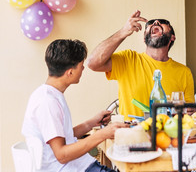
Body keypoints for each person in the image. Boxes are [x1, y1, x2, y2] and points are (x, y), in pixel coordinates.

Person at [22, 39, 129, 171]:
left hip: (79, 164)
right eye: (81, 65)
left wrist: (91, 123)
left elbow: (62, 136)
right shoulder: (47, 102)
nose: (83, 68)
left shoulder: (48, 94)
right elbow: (62, 155)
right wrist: (103, 134)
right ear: (70, 72)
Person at [88, 11, 195, 120]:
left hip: (167, 135)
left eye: (163, 22)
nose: (156, 22)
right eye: (150, 23)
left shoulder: (184, 72)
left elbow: (189, 114)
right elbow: (93, 63)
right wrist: (123, 32)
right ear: (145, 38)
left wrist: (190, 111)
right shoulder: (128, 59)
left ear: (172, 37)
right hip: (132, 134)